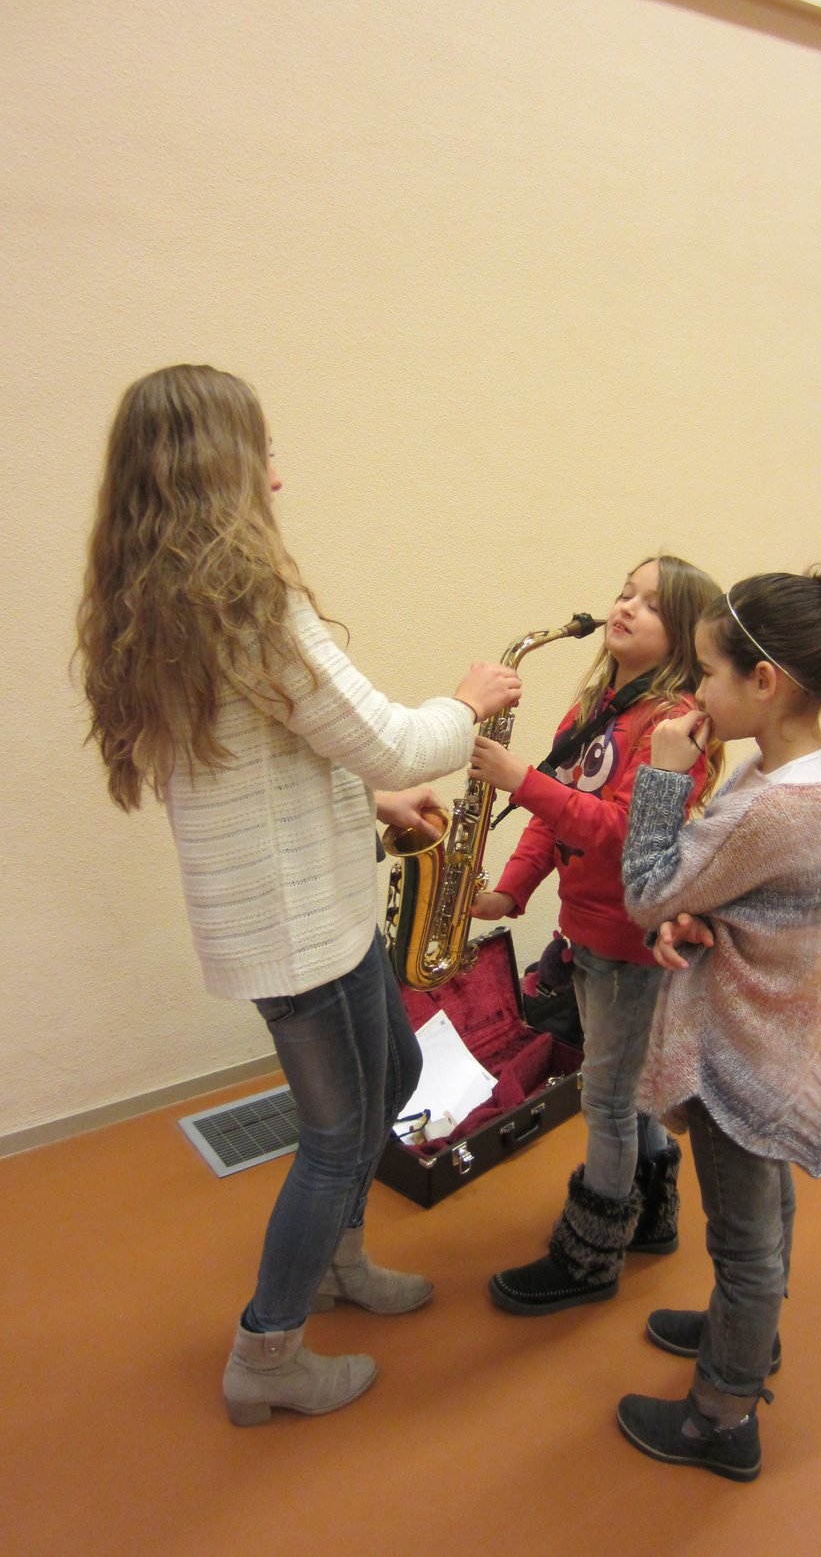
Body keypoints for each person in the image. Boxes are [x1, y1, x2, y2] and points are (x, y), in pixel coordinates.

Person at [76, 364, 522, 1426]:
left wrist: (373, 800)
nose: (276, 478)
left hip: (301, 906)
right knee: (334, 1138)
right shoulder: (251, 605)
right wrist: (469, 703)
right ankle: (266, 1352)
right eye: (262, 454)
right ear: (222, 467)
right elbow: (395, 736)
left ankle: (337, 1260)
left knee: (397, 1069)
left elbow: (267, 759)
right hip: (296, 928)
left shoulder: (159, 600)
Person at [615, 562, 821, 1480]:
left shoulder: (773, 807)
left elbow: (649, 888)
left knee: (742, 1240)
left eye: (707, 673)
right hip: (772, 1033)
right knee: (763, 1213)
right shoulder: (802, 774)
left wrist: (662, 778)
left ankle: (721, 1418)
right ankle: (747, 1334)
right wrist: (699, 917)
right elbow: (716, 889)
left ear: (763, 681)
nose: (695, 692)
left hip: (740, 1049)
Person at [469, 555, 721, 1314]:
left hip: (628, 942)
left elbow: (619, 831)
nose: (626, 608)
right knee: (629, 1087)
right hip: (588, 936)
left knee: (608, 1100)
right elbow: (552, 817)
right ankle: (651, 1215)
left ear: (685, 634)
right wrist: (510, 892)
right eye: (624, 593)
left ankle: (590, 1255)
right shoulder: (594, 710)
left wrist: (521, 780)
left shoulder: (677, 727)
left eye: (652, 604)